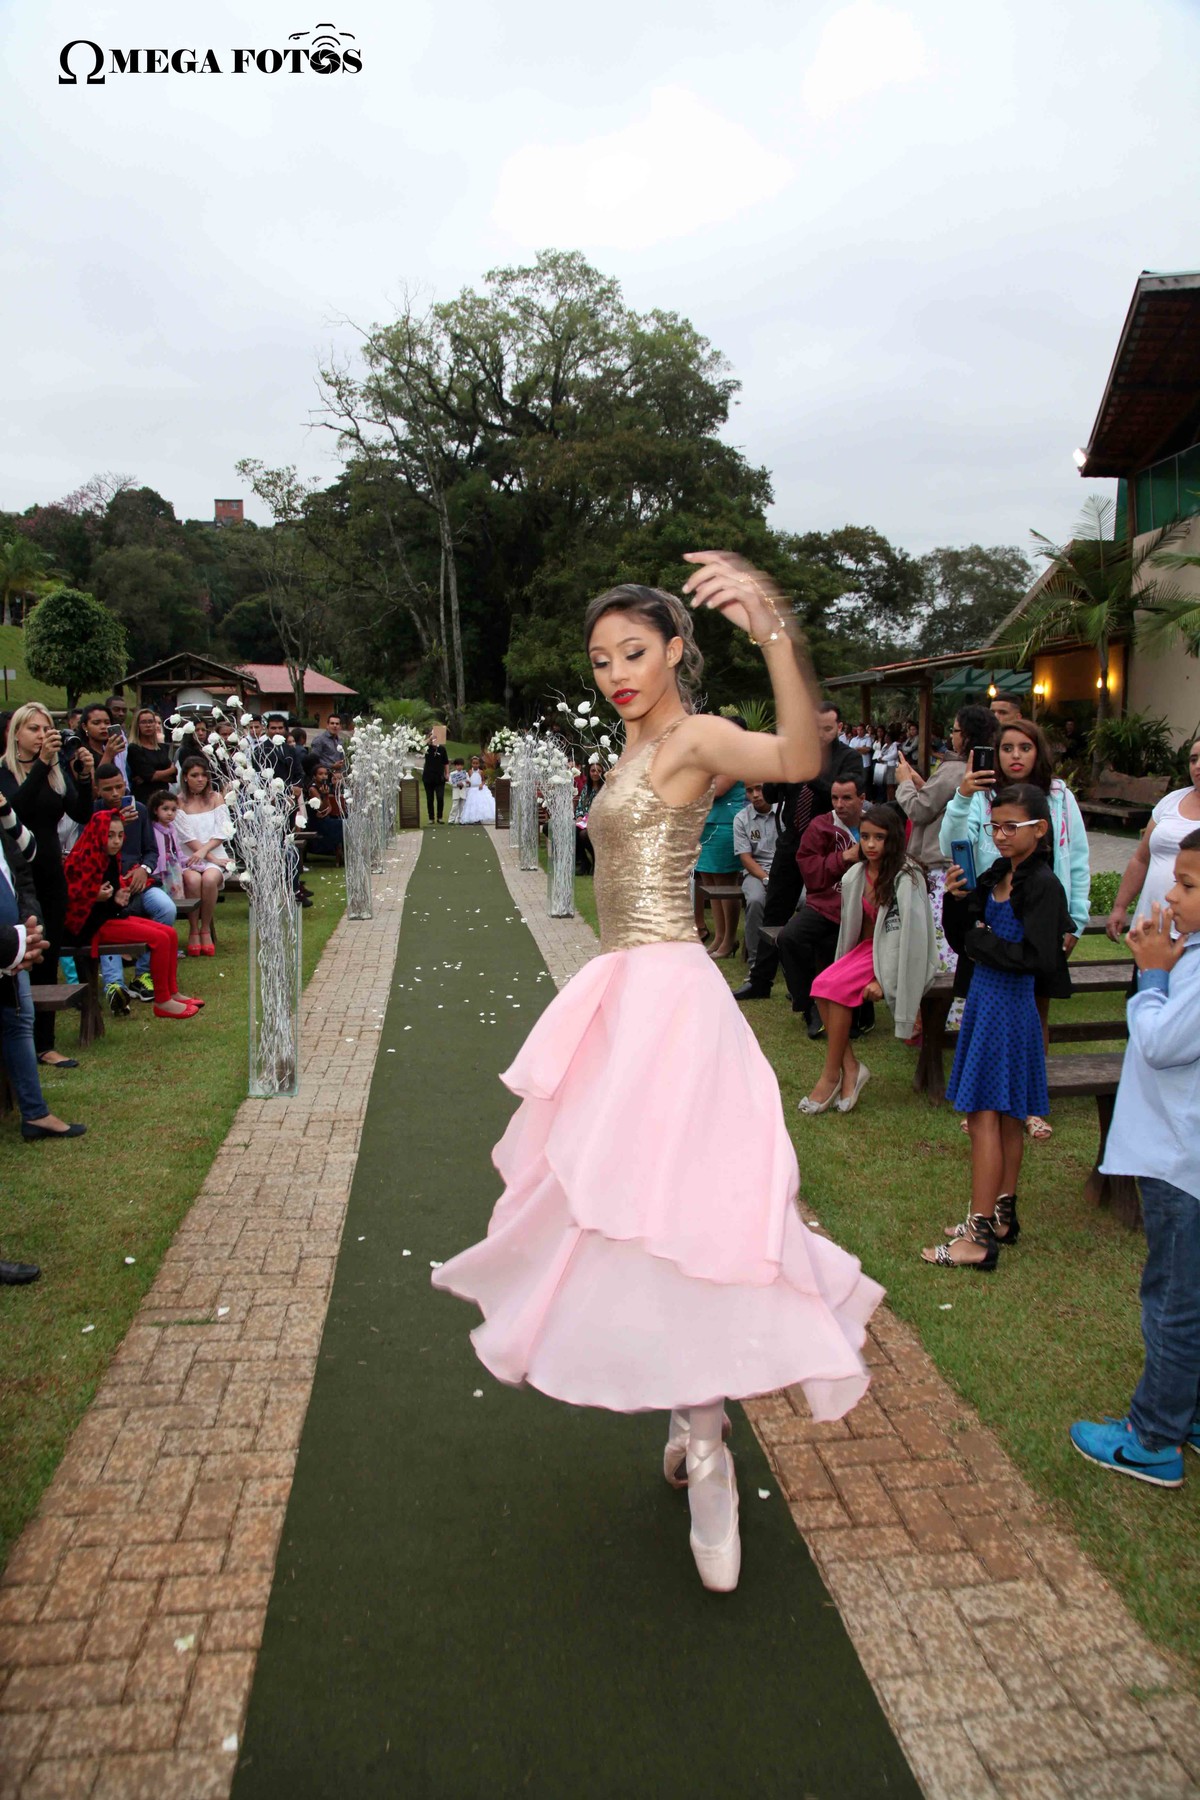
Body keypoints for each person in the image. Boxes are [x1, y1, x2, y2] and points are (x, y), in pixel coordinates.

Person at [432, 554, 884, 1595]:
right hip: (618, 999)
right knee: (627, 1217)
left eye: (634, 652)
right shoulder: (637, 744)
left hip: (675, 1002)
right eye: (601, 660)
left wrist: (774, 629)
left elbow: (801, 750)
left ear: (678, 648)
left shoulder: (693, 738)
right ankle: (696, 1417)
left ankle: (713, 1451)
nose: (617, 673)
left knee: (695, 1216)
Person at [1069, 833, 1200, 1486]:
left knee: (1173, 1299)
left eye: (1189, 886)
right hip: (1181, 1153)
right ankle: (1187, 1409)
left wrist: (1151, 977)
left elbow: (1161, 1044)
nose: (1171, 894)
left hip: (1183, 1163)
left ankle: (1153, 1437)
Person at [924, 785, 1073, 1269]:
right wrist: (957, 900)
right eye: (996, 827)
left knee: (986, 1118)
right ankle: (1002, 1216)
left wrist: (982, 943)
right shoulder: (997, 873)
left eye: (1012, 827)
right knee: (1004, 1116)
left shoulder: (1043, 884)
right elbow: (962, 934)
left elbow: (1040, 959)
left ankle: (978, 1236)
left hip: (1008, 1010)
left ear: (1040, 829)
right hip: (987, 1003)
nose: (1001, 836)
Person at [938, 715, 1090, 1142]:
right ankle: (983, 1100)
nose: (1016, 756)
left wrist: (1075, 919)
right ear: (996, 754)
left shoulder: (1059, 798)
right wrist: (962, 797)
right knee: (985, 1010)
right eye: (1007, 749)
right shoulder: (984, 799)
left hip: (1039, 915)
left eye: (1025, 747)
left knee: (1034, 1012)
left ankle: (1027, 1102)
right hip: (992, 912)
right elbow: (952, 843)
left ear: (1038, 751)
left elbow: (1076, 857)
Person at [801, 806, 937, 1115]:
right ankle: (849, 1068)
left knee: (830, 989)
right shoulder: (856, 874)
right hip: (864, 950)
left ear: (895, 840)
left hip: (894, 954)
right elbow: (855, 930)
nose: (871, 844)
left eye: (880, 837)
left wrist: (881, 977)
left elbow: (911, 937)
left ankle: (831, 1075)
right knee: (821, 986)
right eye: (865, 837)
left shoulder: (908, 876)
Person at [731, 701, 861, 1001]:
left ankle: (819, 983)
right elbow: (774, 794)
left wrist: (809, 772)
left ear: (838, 728)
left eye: (828, 729)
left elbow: (839, 795)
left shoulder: (847, 758)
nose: (821, 735)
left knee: (827, 914)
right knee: (774, 908)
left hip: (831, 846)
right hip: (792, 842)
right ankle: (761, 979)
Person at [0, 702, 95, 1068]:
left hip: (52, 873)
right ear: (17, 734)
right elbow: (15, 812)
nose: (42, 736)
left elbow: (80, 813)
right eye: (34, 729)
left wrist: (83, 778)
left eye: (46, 729)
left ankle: (45, 1043)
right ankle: (20, 1040)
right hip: (18, 874)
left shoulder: (54, 770)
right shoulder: (6, 772)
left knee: (48, 954)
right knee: (21, 955)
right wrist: (41, 765)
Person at [63, 812, 201, 1020]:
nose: (116, 841)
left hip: (110, 917)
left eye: (120, 835)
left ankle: (173, 993)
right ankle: (162, 1001)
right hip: (90, 927)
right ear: (98, 834)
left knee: (169, 933)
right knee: (160, 938)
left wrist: (118, 894)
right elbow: (68, 896)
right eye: (110, 835)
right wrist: (94, 895)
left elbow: (110, 892)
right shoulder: (84, 858)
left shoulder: (109, 858)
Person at [0, 809, 84, 1142]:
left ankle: (35, 1113)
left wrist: (30, 928)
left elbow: (24, 870)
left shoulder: (5, 827)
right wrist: (14, 944)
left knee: (20, 1022)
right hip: (9, 948)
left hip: (15, 949)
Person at [896, 704, 995, 981]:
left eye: (954, 730)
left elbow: (919, 810)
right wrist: (922, 783)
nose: (951, 736)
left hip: (938, 868)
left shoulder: (956, 769)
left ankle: (938, 1012)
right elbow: (942, 805)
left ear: (967, 735)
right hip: (960, 865)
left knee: (938, 947)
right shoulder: (977, 770)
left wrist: (904, 782)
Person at [777, 772, 870, 1038]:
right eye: (835, 798)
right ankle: (810, 1006)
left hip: (866, 909)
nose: (839, 804)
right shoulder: (820, 826)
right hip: (826, 905)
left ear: (862, 798)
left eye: (847, 798)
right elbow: (810, 872)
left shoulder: (875, 825)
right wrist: (843, 858)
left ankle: (856, 1012)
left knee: (839, 948)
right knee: (789, 938)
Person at [91, 764, 178, 1010]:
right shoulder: (94, 813)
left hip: (141, 881)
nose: (116, 793)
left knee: (167, 909)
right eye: (108, 789)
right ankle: (114, 985)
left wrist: (144, 869)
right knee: (108, 918)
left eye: (120, 786)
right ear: (98, 790)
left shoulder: (138, 810)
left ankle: (144, 974)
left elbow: (151, 850)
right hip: (109, 886)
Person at [1106, 736, 1200, 943]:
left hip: (1193, 938)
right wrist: (1120, 907)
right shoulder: (1171, 801)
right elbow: (1141, 858)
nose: (1198, 765)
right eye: (1193, 759)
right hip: (1151, 928)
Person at [693, 719, 747, 959]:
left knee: (726, 885)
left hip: (727, 823)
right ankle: (719, 937)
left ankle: (729, 939)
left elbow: (717, 789)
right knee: (710, 884)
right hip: (709, 823)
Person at [176, 757, 235, 954]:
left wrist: (208, 855)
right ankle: (193, 928)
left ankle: (205, 928)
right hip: (189, 857)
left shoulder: (216, 797)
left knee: (209, 879)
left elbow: (223, 830)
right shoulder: (179, 802)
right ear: (185, 777)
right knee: (192, 880)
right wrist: (203, 854)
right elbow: (186, 837)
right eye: (194, 775)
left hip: (214, 854)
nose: (200, 779)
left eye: (203, 775)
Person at [731, 782, 777, 968]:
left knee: (807, 900)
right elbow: (745, 858)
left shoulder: (785, 812)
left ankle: (802, 958)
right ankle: (756, 962)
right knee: (756, 900)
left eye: (759, 789)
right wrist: (766, 879)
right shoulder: (742, 818)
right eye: (750, 791)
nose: (755, 795)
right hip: (755, 872)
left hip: (787, 870)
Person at [125, 706, 177, 807]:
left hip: (163, 797)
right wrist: (172, 769)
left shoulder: (162, 747)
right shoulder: (134, 748)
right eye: (143, 722)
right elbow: (151, 775)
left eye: (150, 721)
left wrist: (148, 778)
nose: (148, 725)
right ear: (137, 726)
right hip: (144, 798)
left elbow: (172, 778)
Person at [306, 764, 345, 860]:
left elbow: (329, 808)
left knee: (345, 822)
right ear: (314, 776)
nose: (324, 776)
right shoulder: (313, 789)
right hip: (316, 822)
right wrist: (326, 796)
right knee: (342, 825)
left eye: (325, 774)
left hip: (325, 818)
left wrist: (326, 811)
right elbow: (321, 808)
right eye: (320, 774)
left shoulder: (326, 787)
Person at [422, 731, 449, 824]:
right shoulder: (426, 748)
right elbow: (420, 745)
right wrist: (429, 739)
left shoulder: (442, 749)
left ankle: (440, 817)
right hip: (428, 777)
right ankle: (431, 818)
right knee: (430, 799)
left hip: (439, 777)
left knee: (440, 797)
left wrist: (447, 774)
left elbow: (446, 762)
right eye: (433, 737)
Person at [460, 757, 496, 826]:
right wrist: (468, 782)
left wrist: (481, 785)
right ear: (471, 764)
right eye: (474, 763)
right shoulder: (469, 772)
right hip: (472, 790)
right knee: (472, 804)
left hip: (479, 789)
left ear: (479, 764)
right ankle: (473, 818)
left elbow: (483, 780)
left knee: (480, 803)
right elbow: (468, 780)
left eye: (477, 763)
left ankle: (480, 818)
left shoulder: (481, 772)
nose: (475, 765)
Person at [447, 759, 469, 825]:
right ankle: (451, 820)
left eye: (461, 765)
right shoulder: (452, 774)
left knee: (462, 807)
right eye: (458, 765)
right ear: (455, 766)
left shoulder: (465, 773)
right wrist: (457, 784)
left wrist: (464, 784)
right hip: (456, 792)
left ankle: (461, 820)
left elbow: (468, 782)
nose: (459, 767)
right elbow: (450, 782)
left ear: (463, 766)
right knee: (454, 806)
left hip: (463, 792)